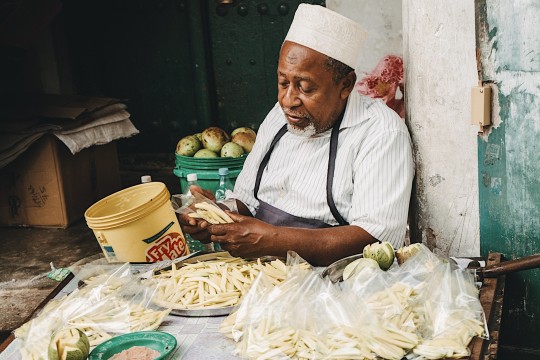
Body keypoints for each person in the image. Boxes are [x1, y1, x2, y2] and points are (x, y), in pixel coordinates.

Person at [179, 4, 414, 266]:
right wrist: (215, 215)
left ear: (345, 85)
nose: (288, 100)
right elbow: (247, 200)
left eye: (305, 88)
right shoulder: (281, 115)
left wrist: (275, 240)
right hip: (263, 271)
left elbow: (379, 238)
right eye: (282, 83)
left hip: (333, 284)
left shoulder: (380, 133)